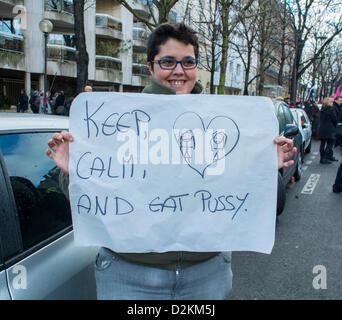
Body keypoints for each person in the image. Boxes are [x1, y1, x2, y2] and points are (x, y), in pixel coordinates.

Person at [46, 23, 296, 300]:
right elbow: (88, 197)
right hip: (130, 272)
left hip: (207, 272)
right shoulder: (117, 121)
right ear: (150, 66)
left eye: (188, 62)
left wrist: (264, 165)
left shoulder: (224, 121)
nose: (179, 70)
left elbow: (237, 189)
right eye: (168, 61)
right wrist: (73, 169)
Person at [318, 97, 338, 164]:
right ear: (329, 102)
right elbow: (334, 119)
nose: (332, 103)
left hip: (322, 128)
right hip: (330, 129)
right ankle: (325, 158)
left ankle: (322, 158)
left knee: (322, 144)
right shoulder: (331, 109)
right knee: (330, 144)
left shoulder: (322, 109)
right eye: (331, 102)